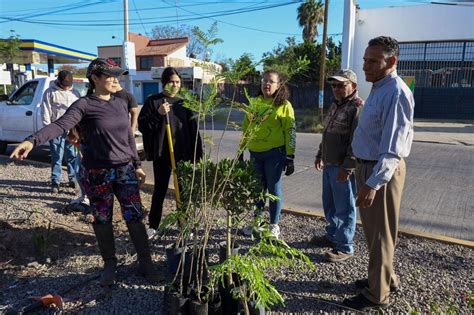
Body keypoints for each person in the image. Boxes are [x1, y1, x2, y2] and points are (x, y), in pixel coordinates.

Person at [11, 58, 160, 286]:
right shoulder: (84, 105)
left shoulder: (120, 103)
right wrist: (33, 140)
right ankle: (110, 265)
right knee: (102, 219)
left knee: (135, 217)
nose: (115, 80)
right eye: (110, 76)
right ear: (95, 79)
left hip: (124, 171)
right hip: (97, 173)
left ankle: (146, 263)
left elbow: (128, 137)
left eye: (117, 75)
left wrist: (137, 165)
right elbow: (61, 124)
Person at [343, 36, 414, 310]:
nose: (365, 66)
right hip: (367, 167)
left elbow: (393, 150)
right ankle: (386, 279)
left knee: (382, 235)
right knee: (375, 233)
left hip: (380, 172)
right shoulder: (379, 87)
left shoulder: (396, 92)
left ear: (391, 61)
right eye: (365, 60)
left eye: (373, 61)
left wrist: (373, 183)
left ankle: (377, 295)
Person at [138, 67, 203, 239]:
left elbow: (194, 130)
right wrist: (158, 114)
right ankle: (153, 225)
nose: (174, 85)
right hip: (162, 154)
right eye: (171, 81)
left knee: (182, 192)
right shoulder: (154, 102)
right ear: (163, 83)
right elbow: (143, 126)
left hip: (182, 154)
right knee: (159, 190)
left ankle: (184, 225)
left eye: (177, 82)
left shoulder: (184, 103)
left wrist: (197, 153)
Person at [311, 69, 363, 262]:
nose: (336, 89)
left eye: (341, 85)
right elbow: (327, 134)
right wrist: (320, 154)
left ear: (353, 86)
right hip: (329, 164)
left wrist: (348, 167)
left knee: (345, 207)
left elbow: (356, 142)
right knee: (330, 203)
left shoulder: (356, 107)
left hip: (342, 166)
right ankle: (332, 235)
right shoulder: (336, 105)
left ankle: (344, 246)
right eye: (334, 85)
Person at [241, 70, 296, 239]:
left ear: (279, 85)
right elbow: (246, 128)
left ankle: (274, 225)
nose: (267, 84)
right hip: (255, 154)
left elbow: (290, 131)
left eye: (271, 81)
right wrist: (240, 151)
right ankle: (257, 221)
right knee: (257, 189)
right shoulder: (254, 103)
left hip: (275, 154)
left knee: (273, 189)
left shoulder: (284, 105)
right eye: (264, 80)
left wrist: (290, 156)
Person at [40, 70, 81, 193]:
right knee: (57, 156)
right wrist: (48, 129)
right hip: (56, 129)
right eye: (65, 83)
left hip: (72, 130)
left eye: (69, 83)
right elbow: (45, 111)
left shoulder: (75, 93)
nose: (67, 86)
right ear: (59, 81)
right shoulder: (50, 92)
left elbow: (79, 112)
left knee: (72, 156)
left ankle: (73, 179)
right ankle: (55, 181)